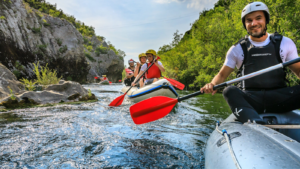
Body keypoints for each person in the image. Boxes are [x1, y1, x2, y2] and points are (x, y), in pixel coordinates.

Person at [200, 2, 300, 124]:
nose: (254, 23)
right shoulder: (237, 49)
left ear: (266, 20)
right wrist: (211, 84)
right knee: (229, 91)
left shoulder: (285, 43)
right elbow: (222, 75)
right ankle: (255, 123)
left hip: (279, 99)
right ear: (245, 24)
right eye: (249, 20)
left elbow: (298, 70)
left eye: (258, 18)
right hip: (251, 100)